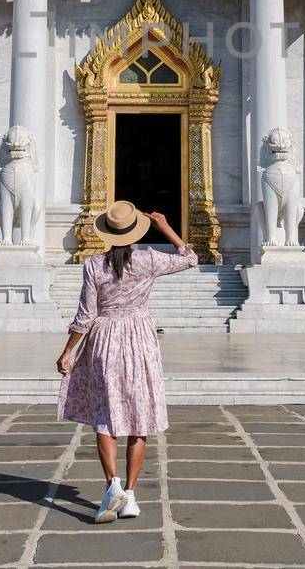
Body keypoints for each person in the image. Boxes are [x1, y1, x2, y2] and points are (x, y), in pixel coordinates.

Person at [55, 200, 197, 524]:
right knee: (138, 415)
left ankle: (112, 486)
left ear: (107, 233)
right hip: (140, 339)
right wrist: (165, 228)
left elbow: (86, 316)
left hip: (105, 339)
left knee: (106, 415)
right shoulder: (148, 260)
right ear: (135, 232)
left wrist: (67, 352)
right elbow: (190, 258)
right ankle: (130, 495)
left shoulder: (94, 265)